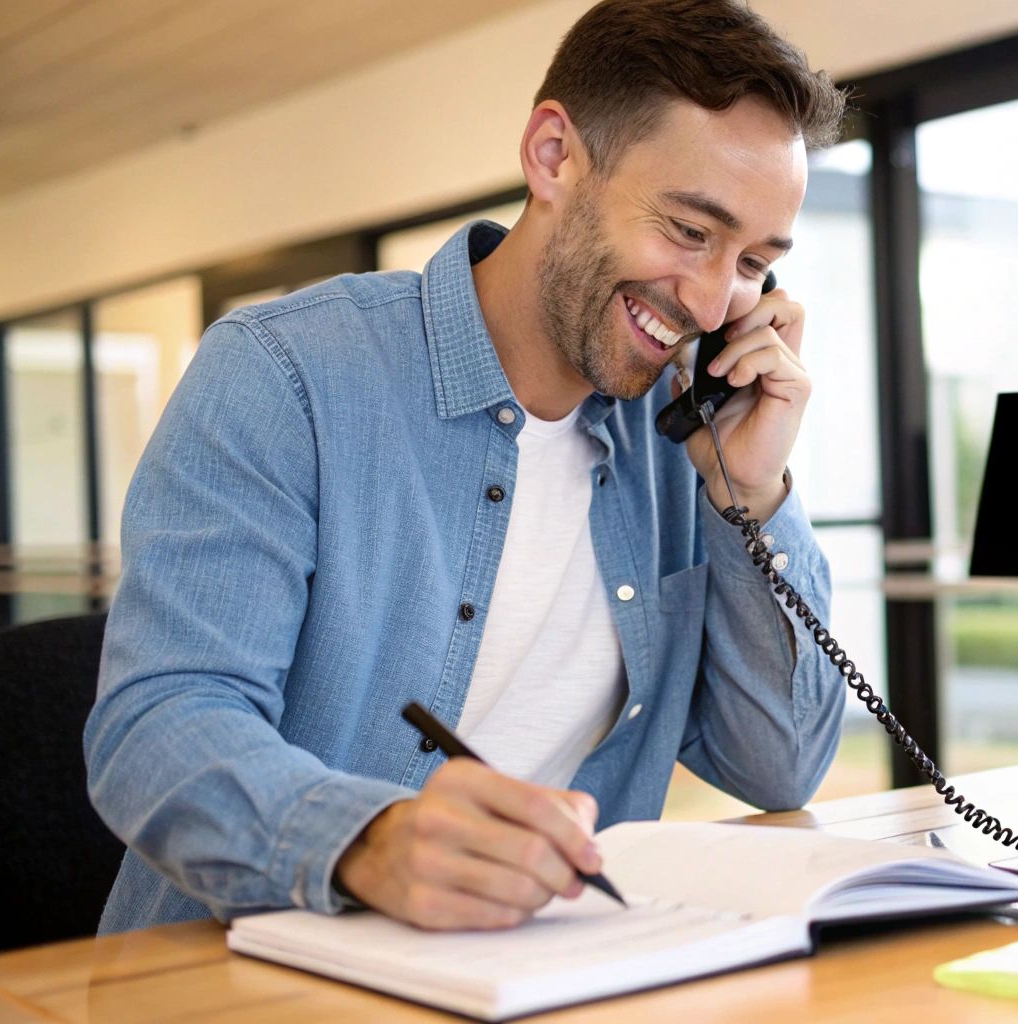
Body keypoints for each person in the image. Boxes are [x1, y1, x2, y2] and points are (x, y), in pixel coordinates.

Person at [85, 0, 850, 933]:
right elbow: (156, 727)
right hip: (249, 973)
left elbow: (777, 764)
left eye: (754, 263)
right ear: (554, 156)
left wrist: (754, 496)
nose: (708, 297)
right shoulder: (286, 374)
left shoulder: (686, 437)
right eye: (690, 231)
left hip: (537, 975)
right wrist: (368, 842)